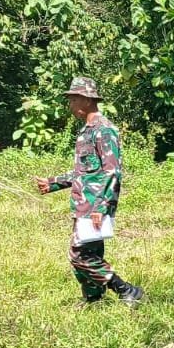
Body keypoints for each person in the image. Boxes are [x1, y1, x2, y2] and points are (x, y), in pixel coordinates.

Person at [35, 77, 143, 306]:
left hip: (95, 205)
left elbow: (112, 172)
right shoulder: (87, 131)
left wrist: (101, 207)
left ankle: (126, 289)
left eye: (73, 100)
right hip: (84, 204)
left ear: (86, 100)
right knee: (90, 252)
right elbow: (84, 172)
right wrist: (53, 183)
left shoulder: (104, 130)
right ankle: (94, 298)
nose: (70, 105)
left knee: (79, 255)